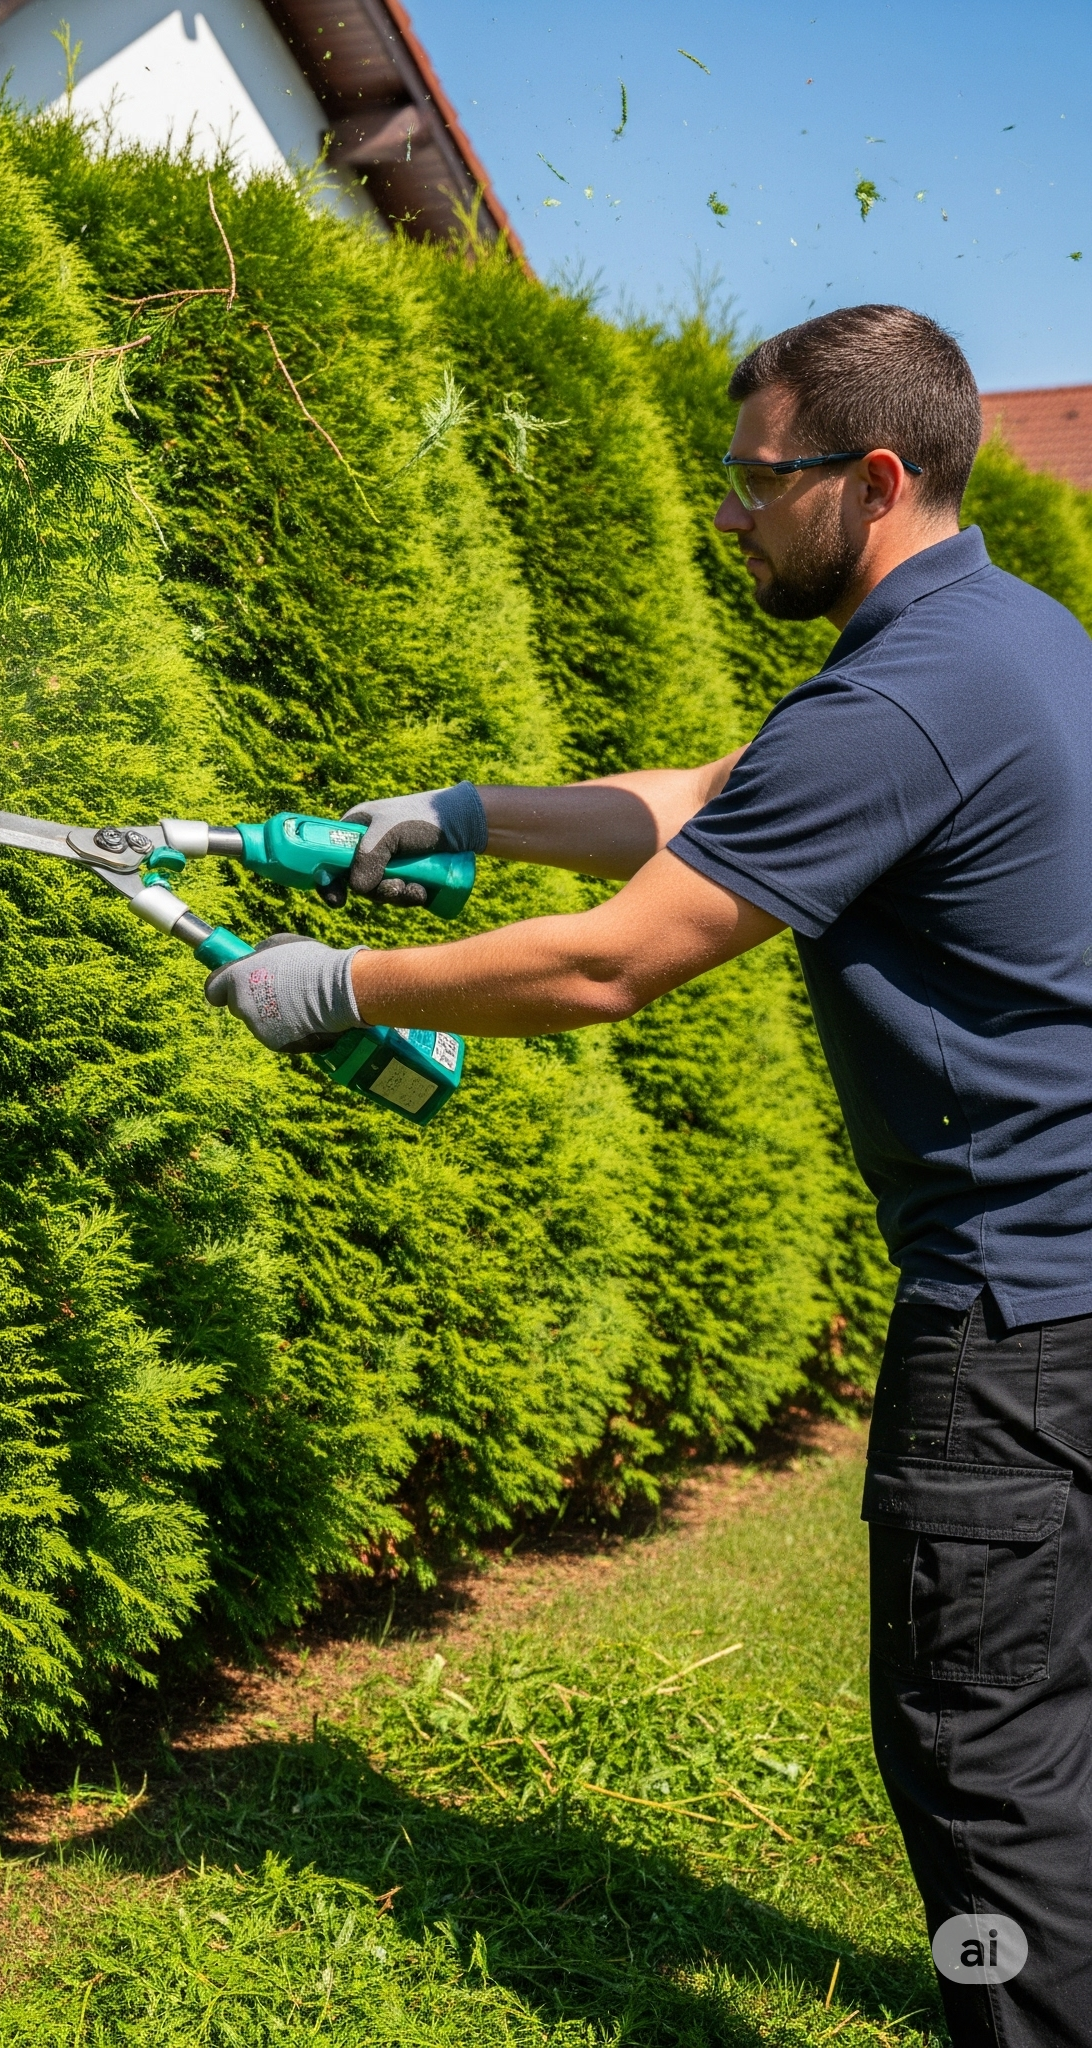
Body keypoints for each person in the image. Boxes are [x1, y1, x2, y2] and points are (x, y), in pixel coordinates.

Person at [206, 302, 1092, 2047]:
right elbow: (712, 795)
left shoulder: (906, 696)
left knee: (983, 1766)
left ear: (880, 477)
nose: (732, 515)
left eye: (758, 482)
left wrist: (339, 990)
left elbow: (615, 963)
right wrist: (460, 813)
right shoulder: (1012, 636)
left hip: (1016, 1324)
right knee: (1052, 1728)